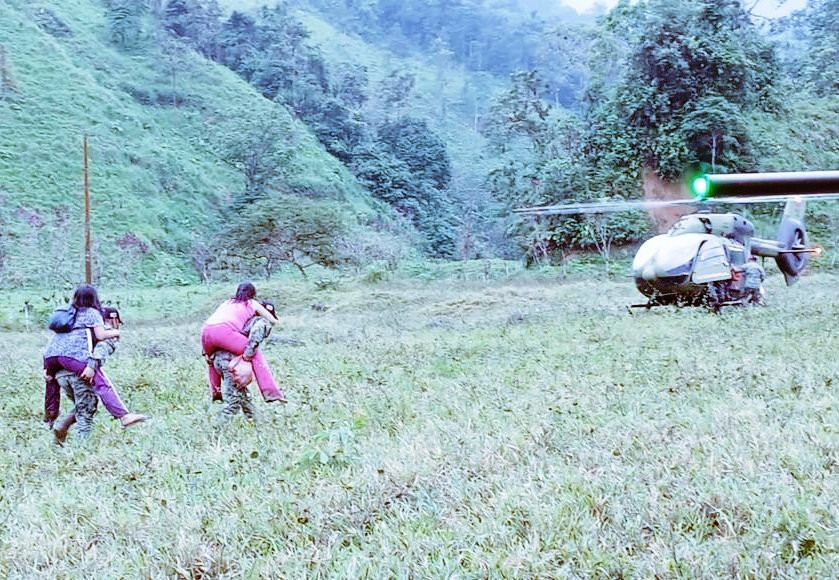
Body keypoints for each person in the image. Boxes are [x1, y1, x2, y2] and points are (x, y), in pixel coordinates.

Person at [43, 285, 146, 432]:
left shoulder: (69, 315)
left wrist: (46, 369)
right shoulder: (92, 313)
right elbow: (100, 336)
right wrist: (115, 332)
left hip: (51, 359)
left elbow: (55, 342)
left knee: (58, 389)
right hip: (73, 359)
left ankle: (51, 417)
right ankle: (123, 415)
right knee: (100, 381)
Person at [201, 282, 286, 403]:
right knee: (254, 353)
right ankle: (271, 392)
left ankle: (216, 393)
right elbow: (272, 320)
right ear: (253, 294)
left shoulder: (227, 302)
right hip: (224, 332)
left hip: (205, 332)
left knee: (211, 361)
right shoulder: (252, 303)